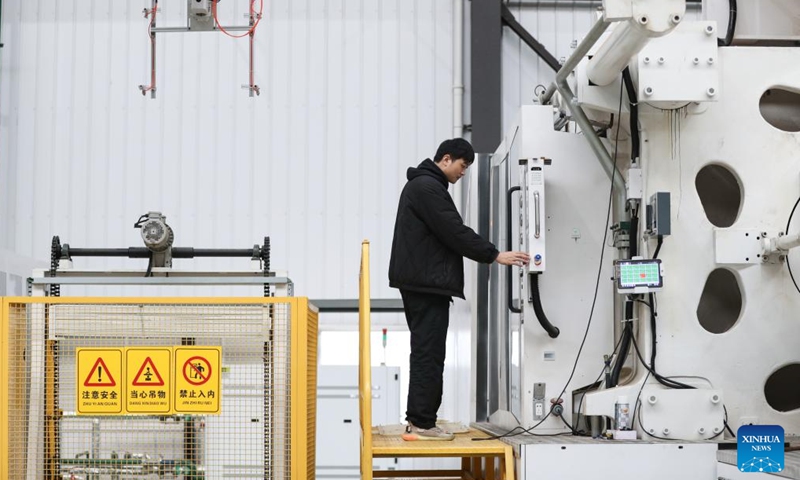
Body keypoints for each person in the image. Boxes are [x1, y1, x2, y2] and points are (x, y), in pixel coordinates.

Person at [388, 138, 530, 440]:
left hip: (423, 283)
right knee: (429, 353)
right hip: (426, 285)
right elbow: (454, 231)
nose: (463, 173)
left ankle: (419, 418)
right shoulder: (427, 187)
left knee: (427, 351)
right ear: (446, 159)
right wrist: (494, 255)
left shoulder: (425, 186)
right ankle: (423, 423)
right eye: (463, 166)